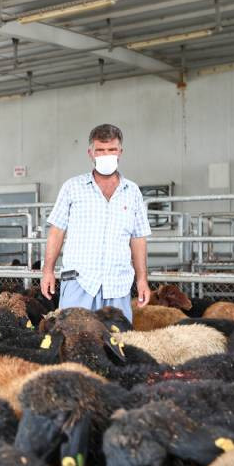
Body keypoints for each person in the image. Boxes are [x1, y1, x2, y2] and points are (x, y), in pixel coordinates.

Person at [40, 124, 151, 321]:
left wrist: (142, 279)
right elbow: (56, 231)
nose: (106, 154)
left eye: (112, 150)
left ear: (120, 152)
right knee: (74, 340)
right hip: (79, 283)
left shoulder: (132, 192)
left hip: (118, 285)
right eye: (100, 150)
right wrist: (48, 270)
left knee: (117, 343)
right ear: (90, 153)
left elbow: (138, 239)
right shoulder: (72, 187)